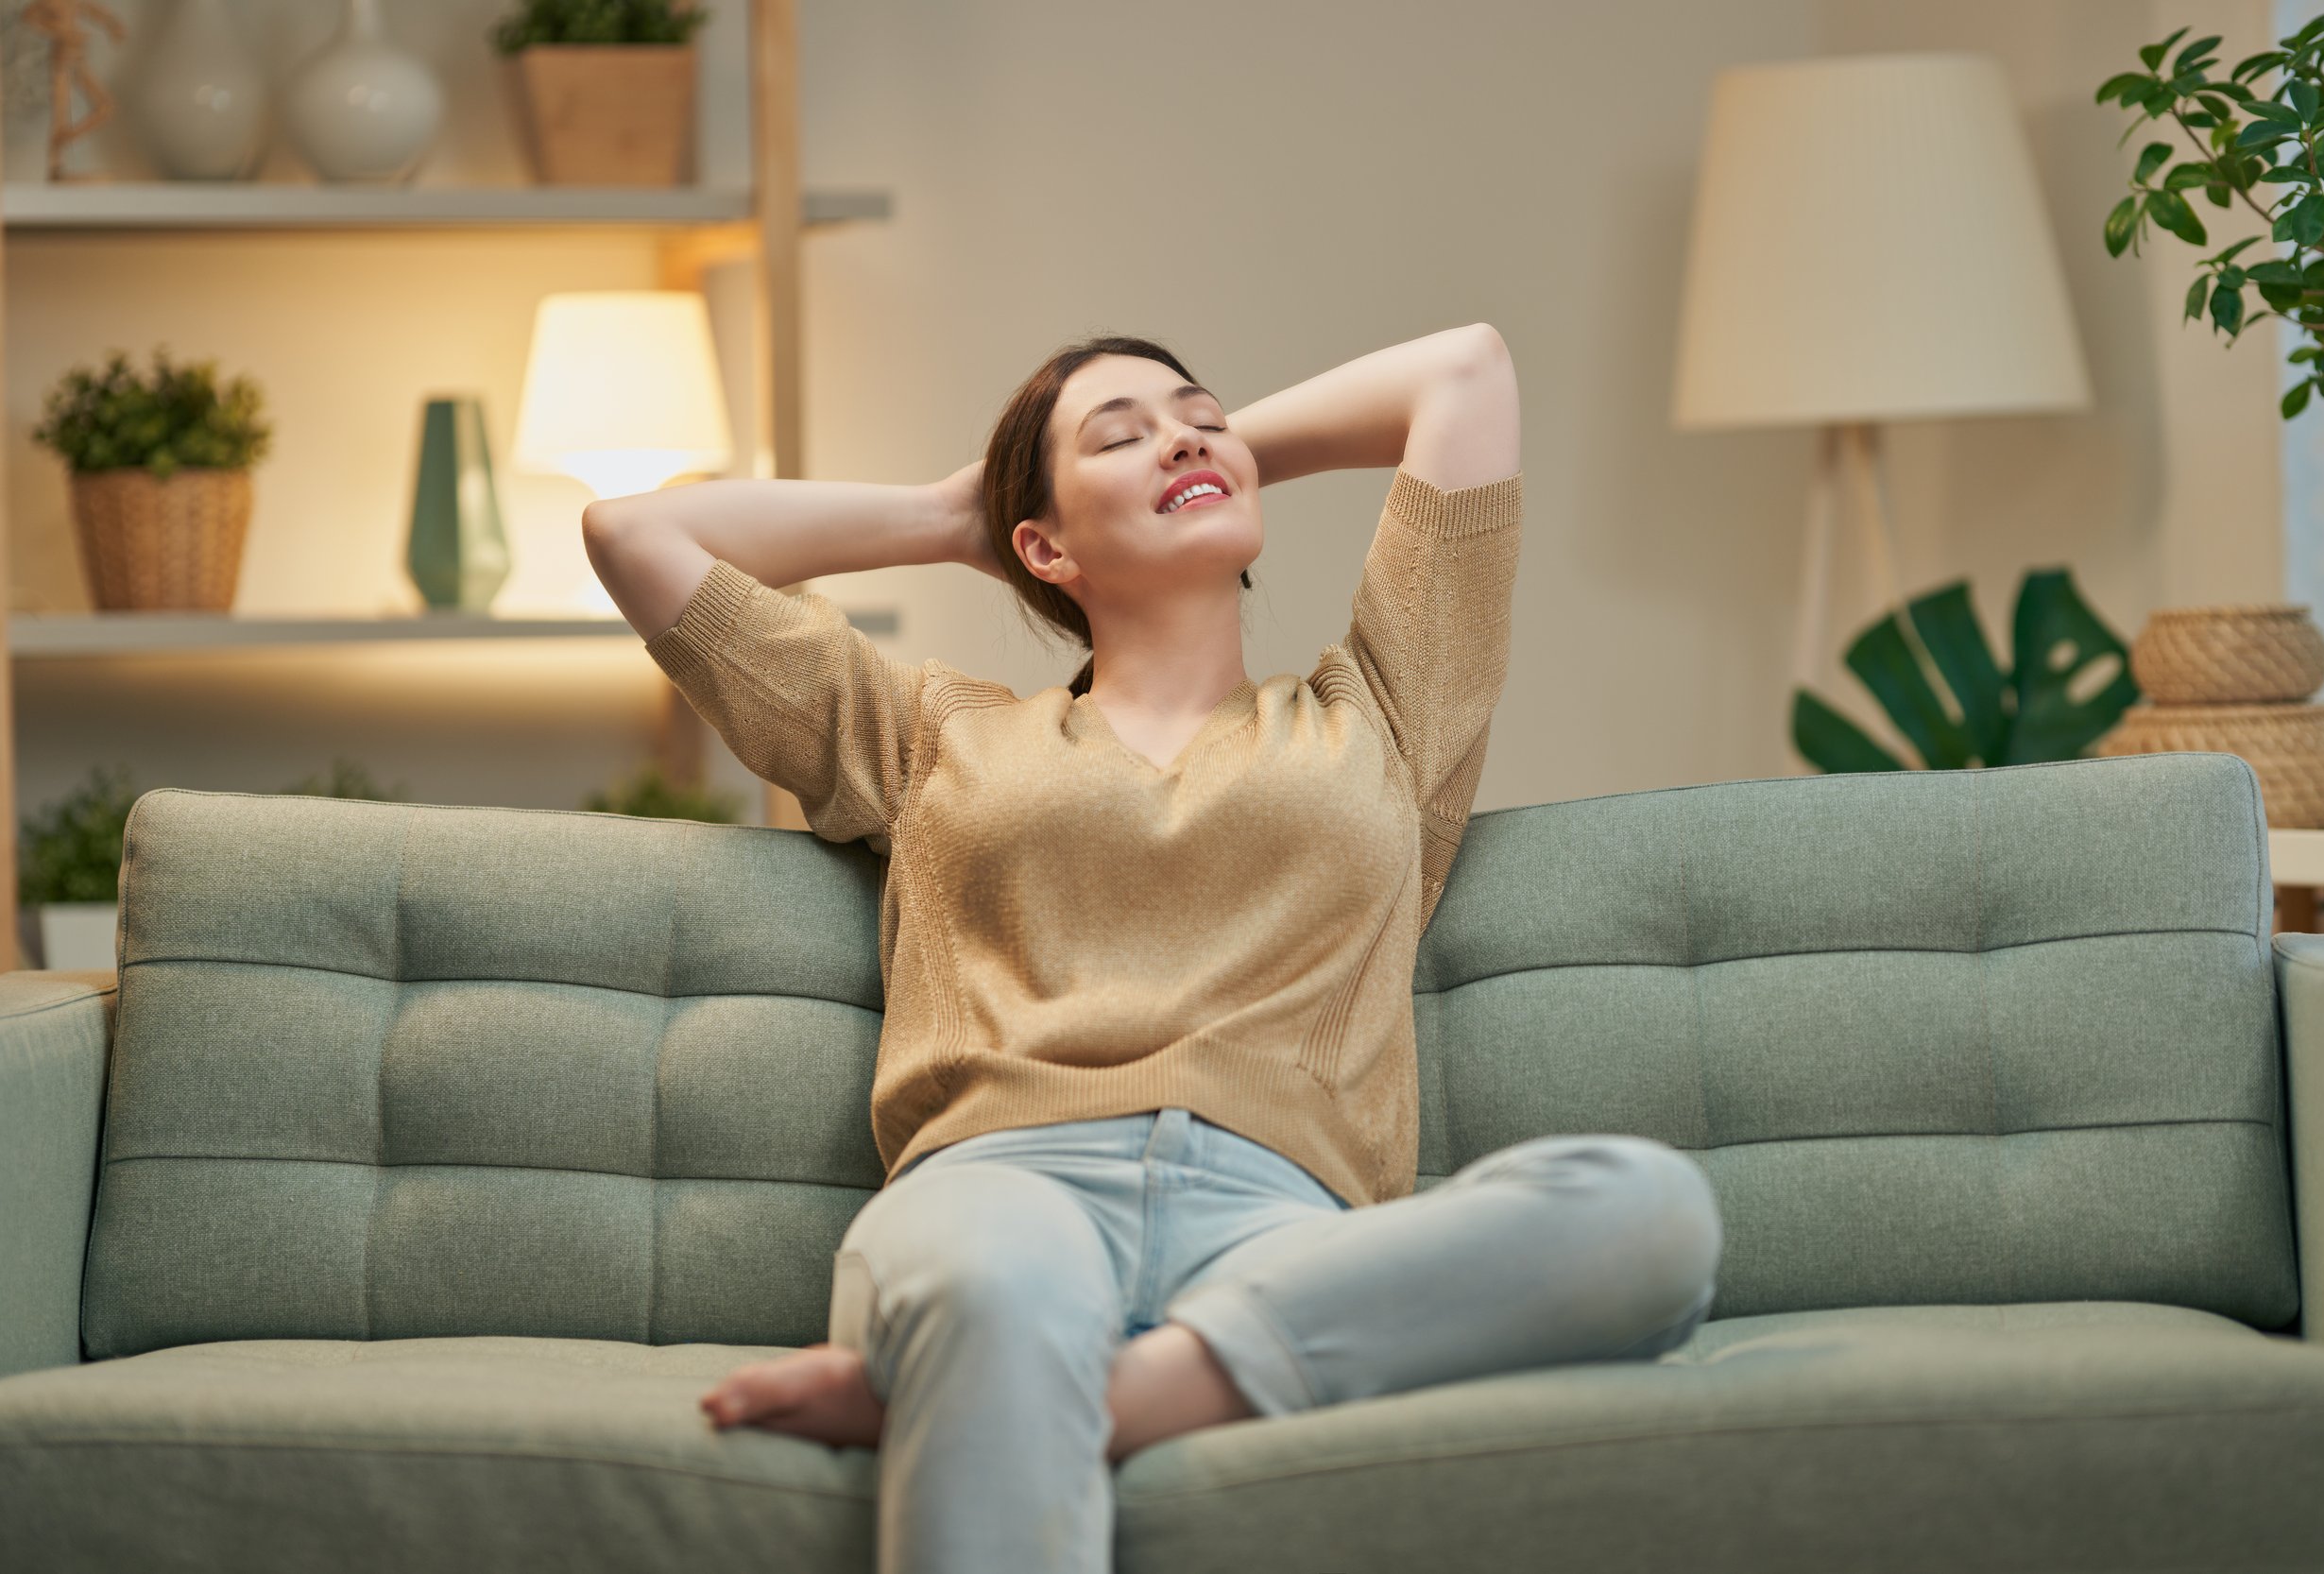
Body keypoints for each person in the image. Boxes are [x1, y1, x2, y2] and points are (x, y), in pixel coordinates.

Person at [582, 324, 1723, 1574]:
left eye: (1199, 413)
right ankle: (998, 1359)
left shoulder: (1386, 717)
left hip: (1286, 1226)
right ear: (1042, 547)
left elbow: (1465, 372)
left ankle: (1011, 1395)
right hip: (998, 1194)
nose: (1179, 433)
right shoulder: (926, 737)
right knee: (997, 1289)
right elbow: (637, 536)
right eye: (1118, 434)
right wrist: (962, 509)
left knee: (1649, 1214)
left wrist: (1202, 458)